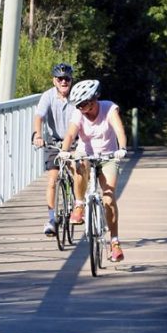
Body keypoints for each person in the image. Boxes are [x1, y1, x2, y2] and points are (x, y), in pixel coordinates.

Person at [59, 78, 127, 262]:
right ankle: (79, 205)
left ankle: (114, 242)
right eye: (78, 105)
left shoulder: (109, 108)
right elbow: (71, 133)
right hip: (86, 154)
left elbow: (119, 129)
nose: (81, 109)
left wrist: (122, 148)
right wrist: (65, 151)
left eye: (84, 105)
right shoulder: (78, 113)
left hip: (108, 156)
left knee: (108, 196)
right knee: (79, 162)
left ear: (94, 99)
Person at [32, 63, 76, 236]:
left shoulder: (76, 95)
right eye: (60, 79)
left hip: (75, 141)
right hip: (55, 142)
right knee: (52, 180)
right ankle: (51, 219)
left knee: (78, 169)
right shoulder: (48, 96)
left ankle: (78, 204)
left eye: (67, 79)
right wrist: (37, 135)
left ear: (71, 80)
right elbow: (39, 116)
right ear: (54, 81)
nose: (64, 82)